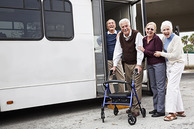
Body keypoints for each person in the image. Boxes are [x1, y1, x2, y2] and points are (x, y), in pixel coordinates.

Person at [154, 20, 186, 121]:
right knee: (175, 86)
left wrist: (161, 54)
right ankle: (180, 110)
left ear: (171, 29)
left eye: (168, 29)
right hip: (169, 64)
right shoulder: (163, 38)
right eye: (164, 30)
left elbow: (175, 55)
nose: (166, 31)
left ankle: (172, 112)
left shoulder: (177, 39)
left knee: (171, 87)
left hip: (177, 63)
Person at [112, 18, 144, 116]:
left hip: (136, 63)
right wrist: (114, 65)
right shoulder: (120, 36)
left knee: (137, 86)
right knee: (130, 85)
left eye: (126, 26)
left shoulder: (137, 34)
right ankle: (131, 106)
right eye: (123, 27)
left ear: (130, 26)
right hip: (127, 64)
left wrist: (139, 64)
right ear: (120, 28)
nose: (125, 28)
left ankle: (136, 108)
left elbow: (139, 50)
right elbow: (117, 51)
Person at [138, 22, 166, 117]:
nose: (149, 31)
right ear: (145, 29)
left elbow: (156, 53)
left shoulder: (157, 39)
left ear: (155, 31)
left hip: (159, 64)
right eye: (148, 29)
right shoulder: (144, 39)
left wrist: (144, 50)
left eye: (152, 29)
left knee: (160, 87)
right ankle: (156, 108)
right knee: (153, 86)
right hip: (150, 65)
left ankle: (161, 110)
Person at [97, 19, 125, 93]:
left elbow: (128, 33)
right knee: (109, 78)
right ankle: (112, 96)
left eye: (112, 23)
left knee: (121, 78)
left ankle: (121, 95)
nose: (111, 24)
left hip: (118, 59)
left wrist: (120, 33)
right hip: (108, 60)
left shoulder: (120, 33)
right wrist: (101, 45)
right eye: (109, 23)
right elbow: (98, 40)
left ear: (115, 25)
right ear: (107, 27)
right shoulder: (104, 35)